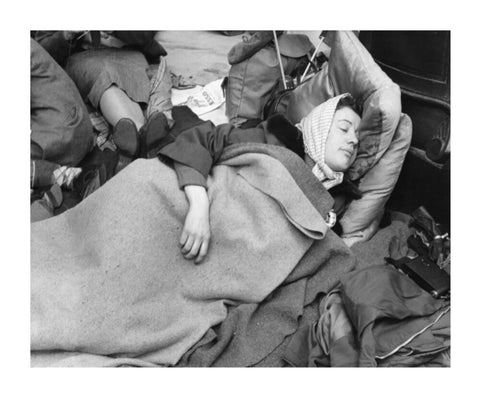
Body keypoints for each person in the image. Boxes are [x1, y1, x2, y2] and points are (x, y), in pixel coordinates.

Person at [153, 93, 361, 263]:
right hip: (196, 207)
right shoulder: (273, 140)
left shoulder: (336, 200)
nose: (353, 140)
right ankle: (160, 125)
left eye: (358, 137)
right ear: (319, 127)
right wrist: (199, 205)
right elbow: (202, 139)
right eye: (344, 128)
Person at [33, 30, 174, 160]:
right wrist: (66, 34)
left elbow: (145, 35)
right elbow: (40, 53)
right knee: (103, 75)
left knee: (131, 79)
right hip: (83, 59)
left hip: (128, 54)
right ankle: (142, 133)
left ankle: (139, 135)